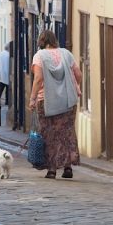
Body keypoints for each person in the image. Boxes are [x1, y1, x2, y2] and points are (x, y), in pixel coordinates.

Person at [28, 29, 81, 179]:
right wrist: (76, 87)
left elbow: (38, 78)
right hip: (68, 102)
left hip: (46, 101)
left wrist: (32, 99)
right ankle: (68, 167)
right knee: (67, 133)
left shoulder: (39, 56)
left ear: (41, 42)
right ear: (54, 40)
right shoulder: (66, 54)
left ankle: (52, 170)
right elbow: (78, 74)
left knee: (49, 134)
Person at [0, 42, 11, 111]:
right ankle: (7, 101)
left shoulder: (0, 53)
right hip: (7, 72)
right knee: (7, 88)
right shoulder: (9, 55)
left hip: (0, 72)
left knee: (0, 87)